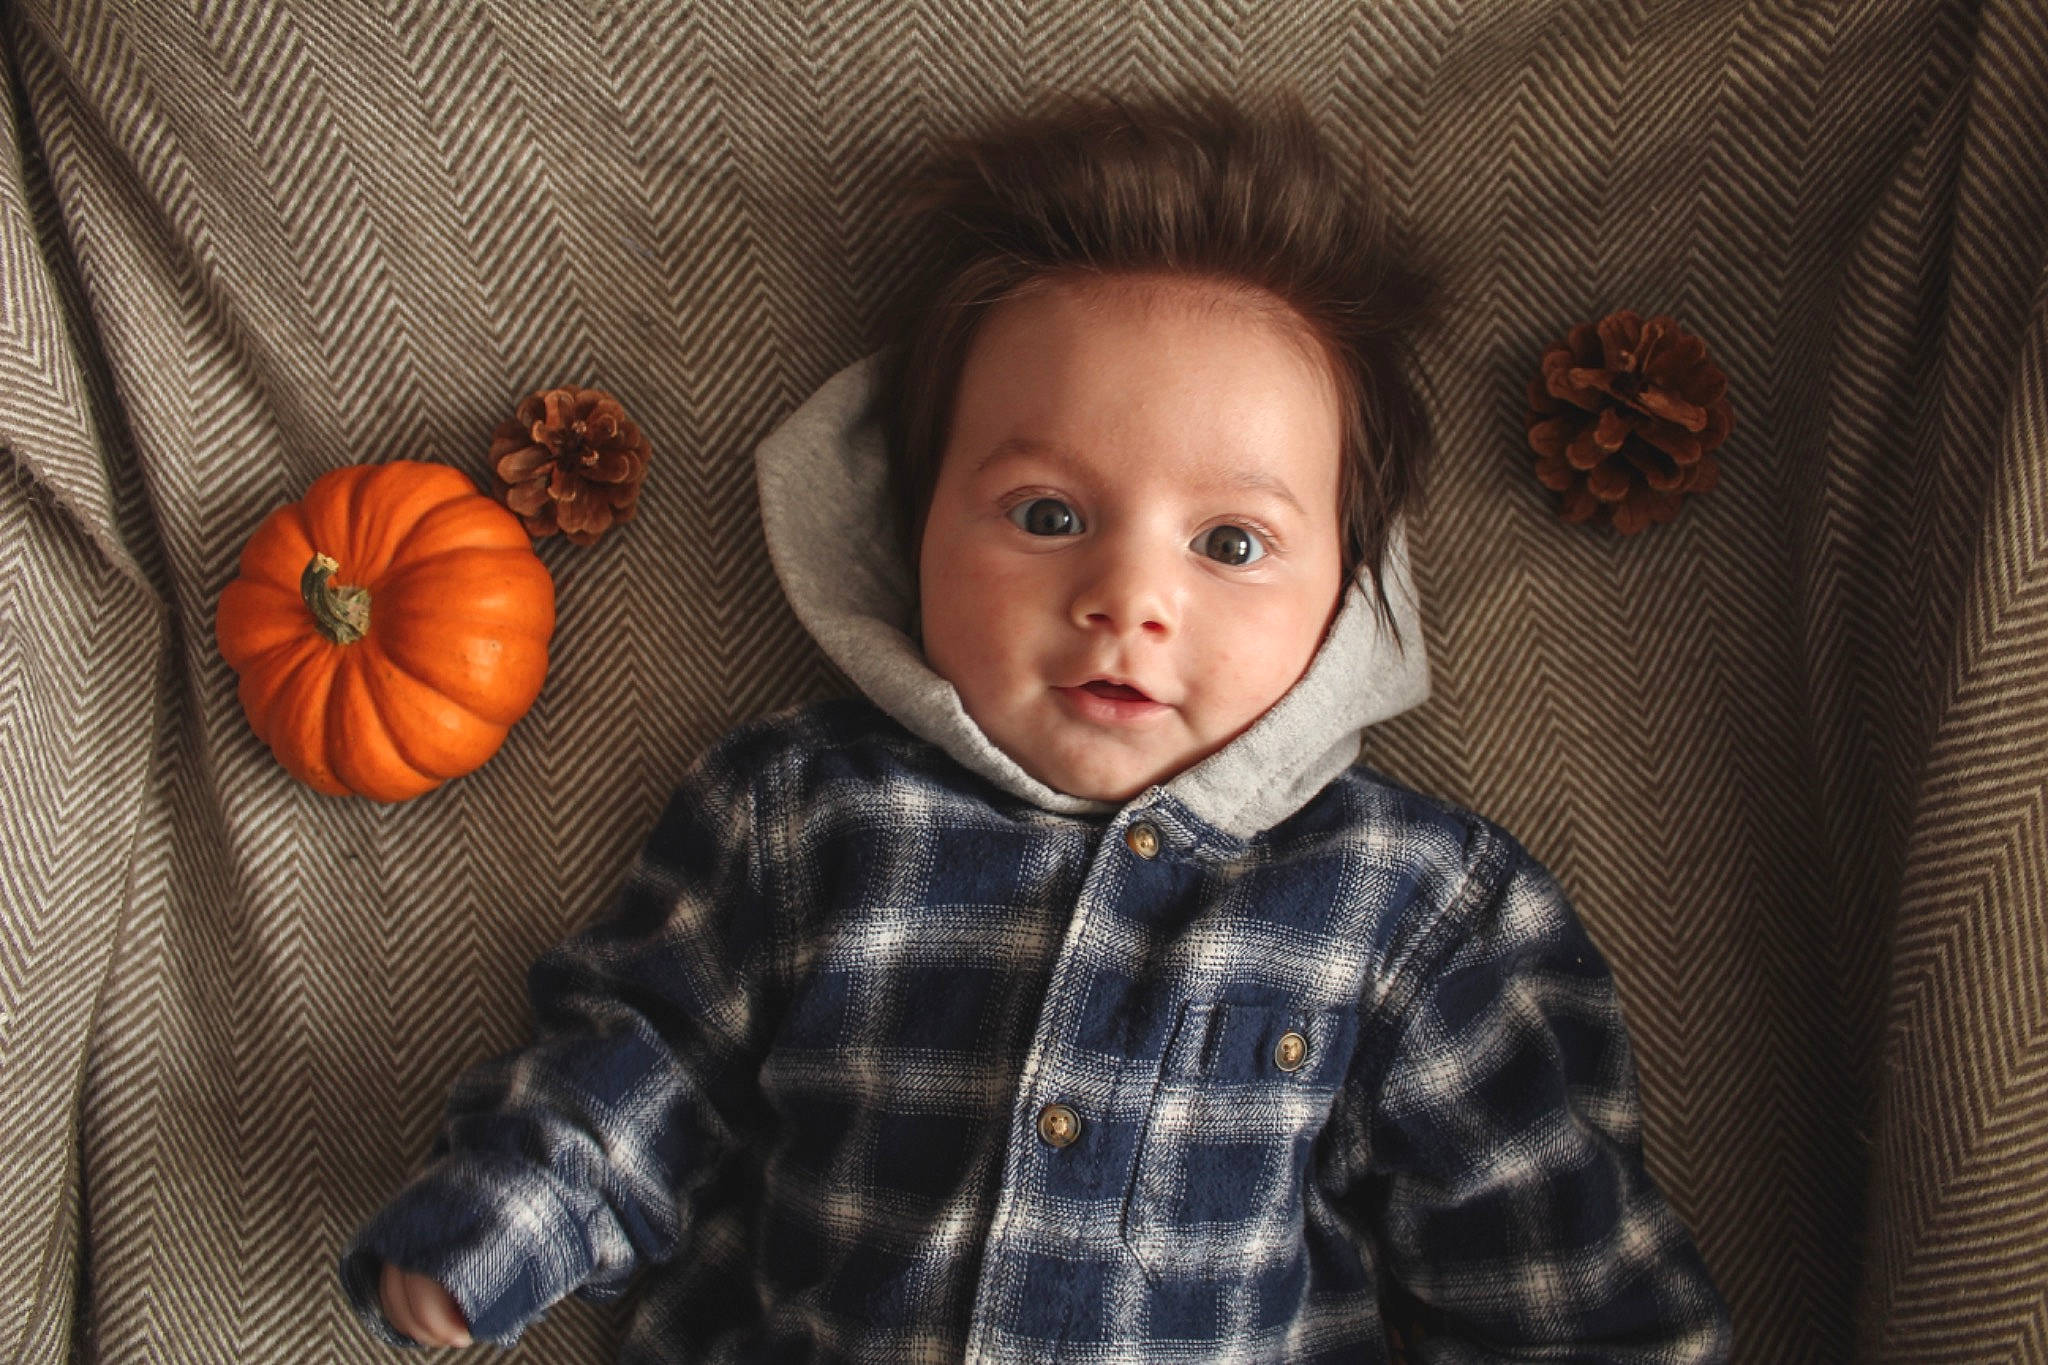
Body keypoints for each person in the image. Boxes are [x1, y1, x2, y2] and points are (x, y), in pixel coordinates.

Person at [340, 88, 1734, 1362]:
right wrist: (505, 1223)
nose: (1127, 598)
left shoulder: (1405, 905)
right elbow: (645, 1061)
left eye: (1233, 544)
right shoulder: (801, 814)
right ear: (909, 530)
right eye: (1049, 517)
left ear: (1350, 596)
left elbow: (1545, 1250)